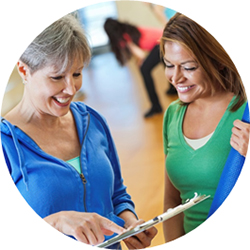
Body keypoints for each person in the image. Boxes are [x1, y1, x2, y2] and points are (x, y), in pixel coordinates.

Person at [0, 14, 157, 249]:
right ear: (24, 70)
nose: (70, 89)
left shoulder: (92, 120)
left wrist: (130, 225)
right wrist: (54, 223)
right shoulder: (5, 143)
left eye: (77, 73)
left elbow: (117, 195)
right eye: (56, 77)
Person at [160, 13, 249, 242]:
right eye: (169, 65)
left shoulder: (244, 113)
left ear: (217, 60)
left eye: (188, 67)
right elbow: (172, 202)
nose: (175, 78)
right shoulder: (172, 115)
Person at [104, 18, 166, 118]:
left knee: (144, 69)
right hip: (164, 39)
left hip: (163, 42)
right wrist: (141, 60)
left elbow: (140, 54)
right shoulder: (128, 30)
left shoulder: (124, 36)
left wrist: (141, 61)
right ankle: (171, 90)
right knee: (161, 61)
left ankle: (156, 106)